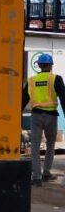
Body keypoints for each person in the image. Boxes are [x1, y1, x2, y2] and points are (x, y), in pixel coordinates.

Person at [22, 53, 65, 186]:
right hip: (51, 116)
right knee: (50, 144)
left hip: (36, 116)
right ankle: (46, 172)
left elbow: (23, 100)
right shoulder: (56, 79)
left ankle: (36, 177)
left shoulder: (31, 81)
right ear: (51, 66)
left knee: (35, 146)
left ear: (39, 65)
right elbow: (64, 98)